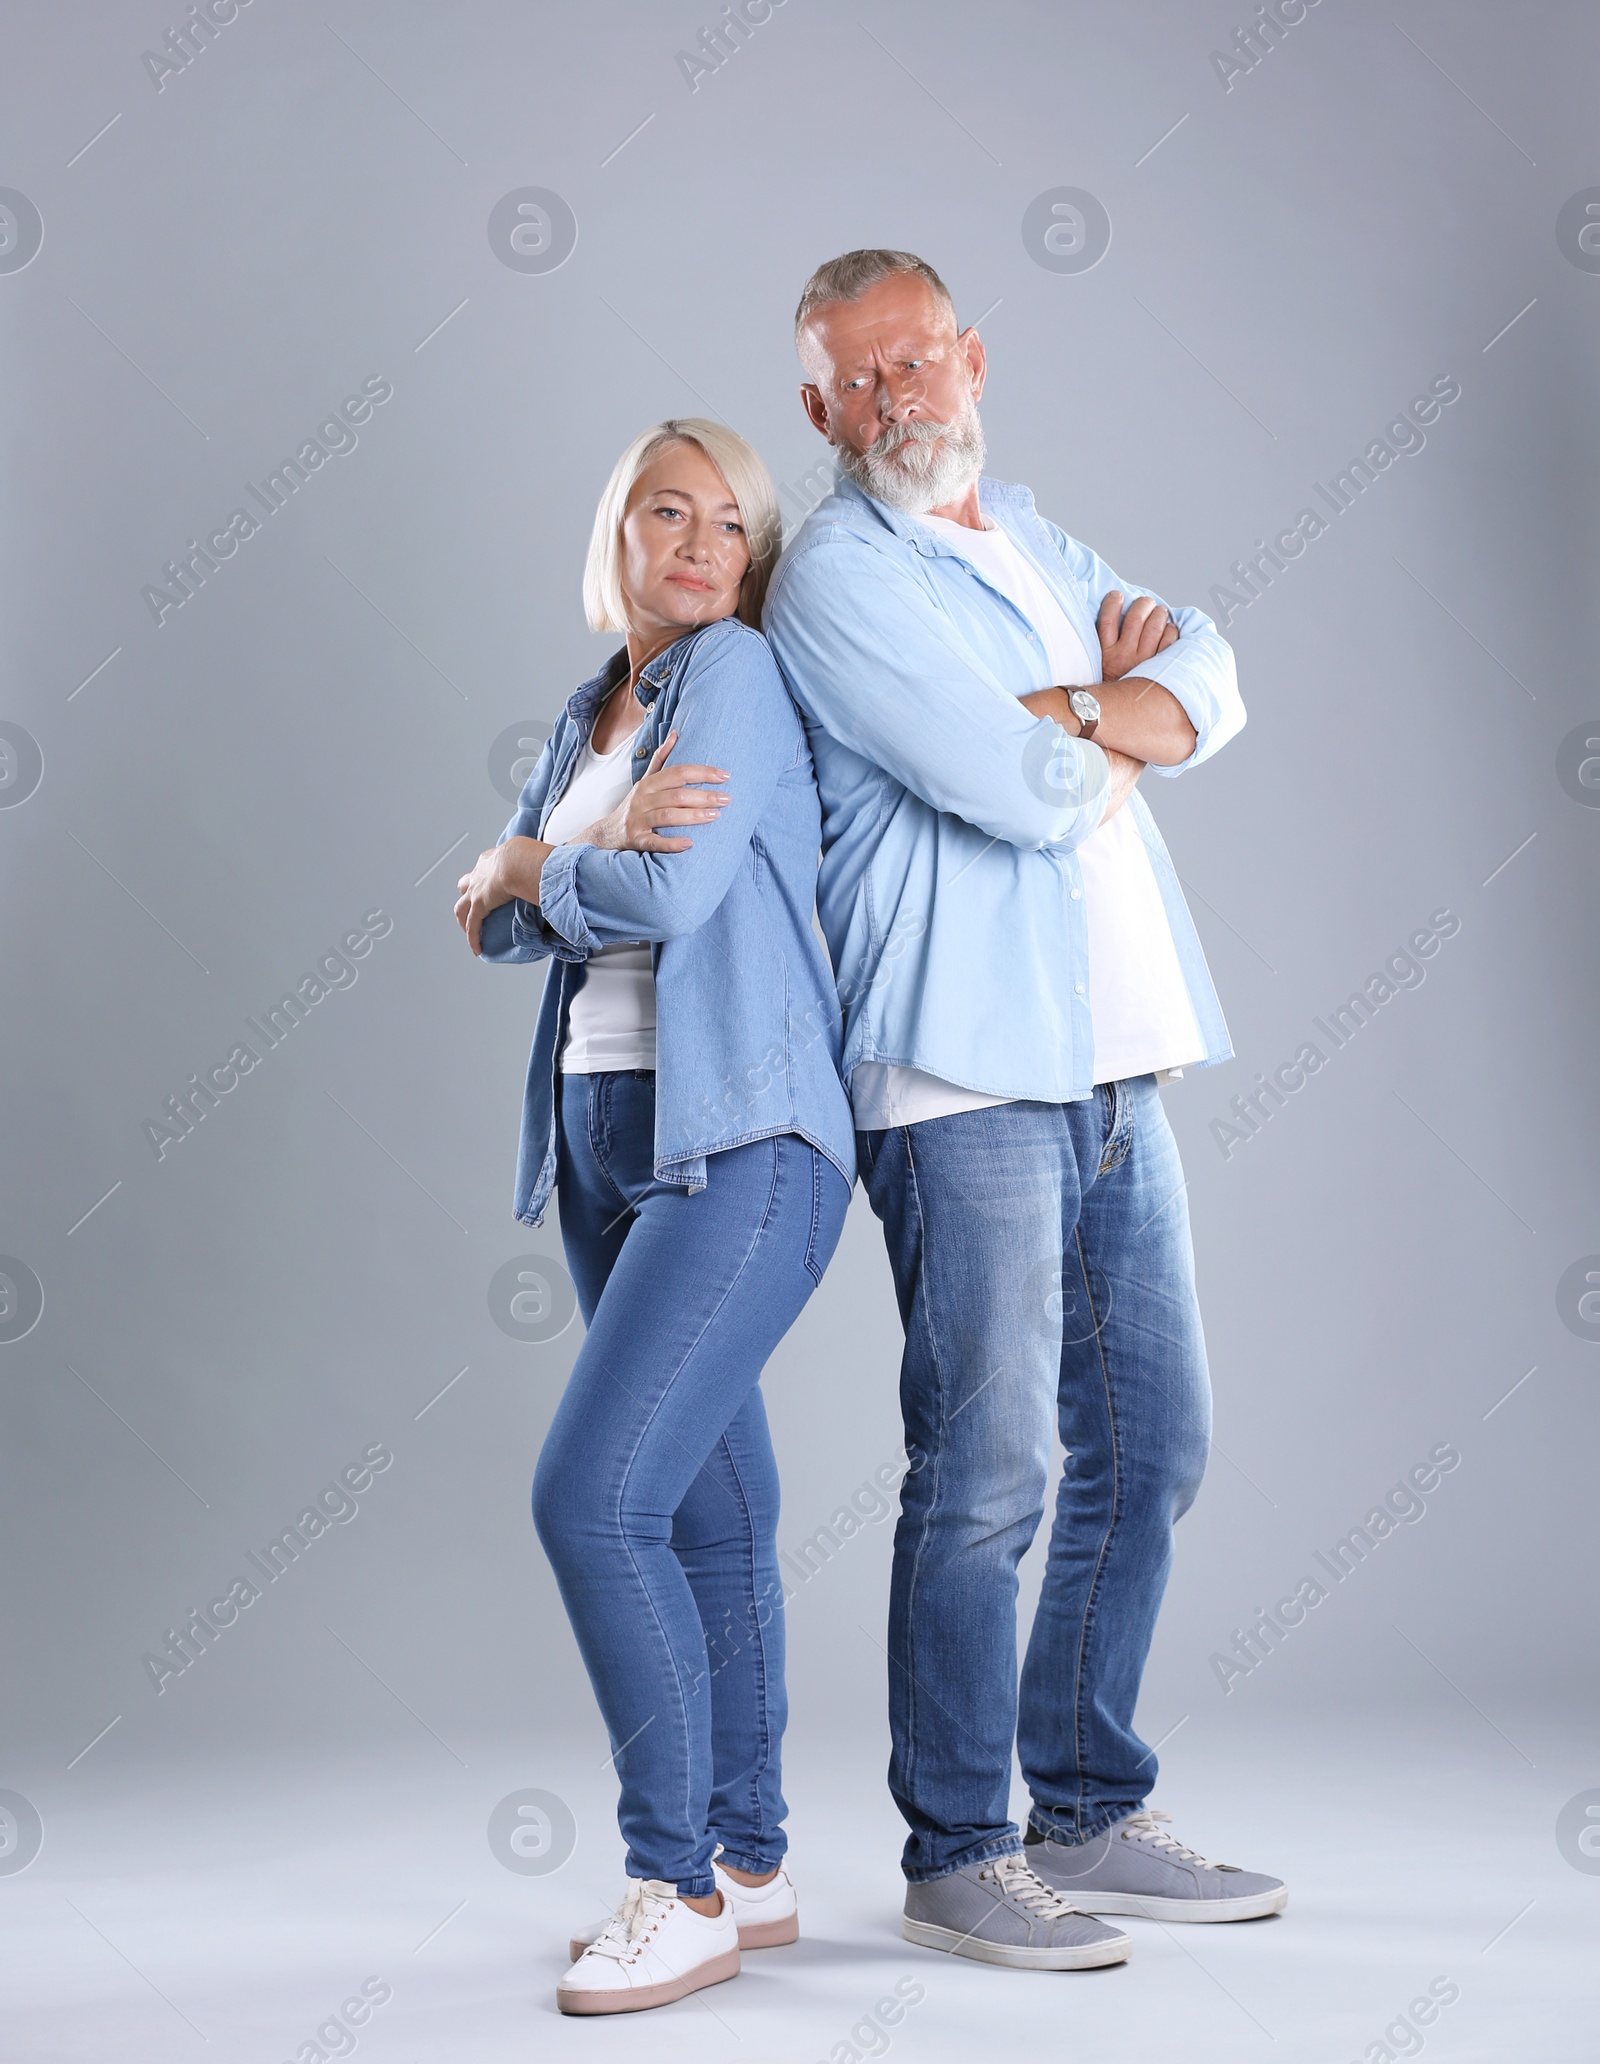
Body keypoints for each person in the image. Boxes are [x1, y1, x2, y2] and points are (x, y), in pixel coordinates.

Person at [763, 249, 1286, 1971]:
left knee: (1155, 1447)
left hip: (1121, 1055)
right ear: (823, 406)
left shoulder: (1041, 545)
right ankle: (960, 1849)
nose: (898, 398)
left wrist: (1082, 712)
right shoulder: (838, 573)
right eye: (860, 378)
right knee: (988, 1468)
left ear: (971, 358)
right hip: (963, 1072)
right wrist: (1091, 724)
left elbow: (1214, 668)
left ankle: (1088, 1806)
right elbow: (1018, 785)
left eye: (918, 360)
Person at [455, 418, 855, 2016]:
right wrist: (563, 851)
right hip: (610, 1137)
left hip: (741, 1141)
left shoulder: (735, 679)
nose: (698, 545)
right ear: (615, 528)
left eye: (730, 525)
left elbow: (655, 898)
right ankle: (750, 1868)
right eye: (665, 512)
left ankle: (670, 1881)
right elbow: (491, 933)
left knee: (591, 1499)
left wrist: (535, 860)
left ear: (752, 562)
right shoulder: (591, 709)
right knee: (704, 1513)